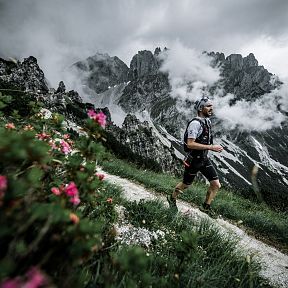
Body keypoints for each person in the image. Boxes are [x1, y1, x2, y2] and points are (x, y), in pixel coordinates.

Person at [167, 96, 223, 216]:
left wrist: (211, 147)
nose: (211, 108)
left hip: (204, 158)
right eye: (208, 106)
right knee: (186, 184)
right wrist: (211, 147)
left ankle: (205, 207)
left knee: (216, 184)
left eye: (212, 106)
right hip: (193, 160)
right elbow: (191, 144)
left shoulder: (207, 122)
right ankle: (171, 198)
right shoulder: (195, 124)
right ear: (200, 108)